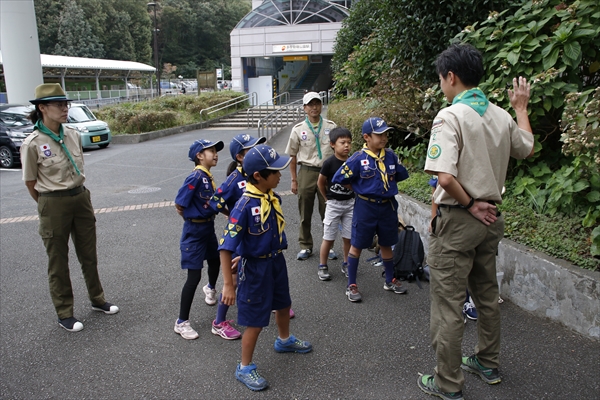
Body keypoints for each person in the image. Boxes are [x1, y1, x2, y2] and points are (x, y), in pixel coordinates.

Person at [418, 43, 534, 400]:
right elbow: (526, 147)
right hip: (491, 219)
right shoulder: (501, 115)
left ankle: (447, 383)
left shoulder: (450, 116)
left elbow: (444, 176)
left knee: (449, 303)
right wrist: (521, 108)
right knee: (486, 294)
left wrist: (469, 205)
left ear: (450, 77)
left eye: (441, 79)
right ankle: (487, 361)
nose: (441, 85)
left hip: (459, 218)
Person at [20, 83, 119, 332]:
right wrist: (48, 204)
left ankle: (98, 299)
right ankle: (64, 312)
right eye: (59, 105)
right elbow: (31, 182)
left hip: (80, 197)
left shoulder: (72, 134)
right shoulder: (32, 143)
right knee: (58, 260)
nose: (65, 109)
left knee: (88, 253)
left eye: (66, 104)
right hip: (53, 202)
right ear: (42, 108)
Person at [219, 145, 312, 391]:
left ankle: (284, 340)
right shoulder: (244, 205)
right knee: (256, 320)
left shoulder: (272, 197)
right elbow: (226, 245)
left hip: (275, 261)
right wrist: (228, 283)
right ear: (258, 175)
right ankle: (244, 366)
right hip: (256, 269)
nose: (280, 174)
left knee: (283, 304)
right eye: (275, 171)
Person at [331, 117, 409, 302]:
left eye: (385, 134)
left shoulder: (390, 156)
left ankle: (389, 279)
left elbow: (399, 175)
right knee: (357, 244)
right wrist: (358, 189)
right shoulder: (358, 158)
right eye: (379, 134)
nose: (383, 138)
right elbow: (340, 177)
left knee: (387, 243)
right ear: (366, 137)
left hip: (387, 206)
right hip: (365, 207)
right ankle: (352, 284)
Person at [207, 133, 266, 340]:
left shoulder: (259, 174)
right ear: (240, 156)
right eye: (253, 149)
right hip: (241, 236)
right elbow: (215, 201)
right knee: (234, 275)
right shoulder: (234, 179)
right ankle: (219, 321)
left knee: (265, 266)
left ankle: (275, 304)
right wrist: (231, 215)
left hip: (259, 232)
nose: (258, 151)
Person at [173, 139, 224, 340]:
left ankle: (210, 288)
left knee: (215, 260)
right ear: (199, 156)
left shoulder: (207, 177)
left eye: (215, 151)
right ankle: (181, 322)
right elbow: (180, 202)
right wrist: (190, 217)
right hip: (194, 232)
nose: (215, 154)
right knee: (193, 276)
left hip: (207, 228)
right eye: (211, 151)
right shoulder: (195, 176)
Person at [285, 91, 338, 261]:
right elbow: (292, 156)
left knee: (328, 211)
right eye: (310, 104)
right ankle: (305, 245)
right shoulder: (298, 130)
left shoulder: (331, 127)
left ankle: (328, 246)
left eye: (317, 103)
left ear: (321, 106)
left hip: (328, 173)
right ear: (304, 108)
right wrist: (294, 180)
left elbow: (338, 152)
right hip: (307, 172)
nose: (314, 107)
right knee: (304, 211)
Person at [428, 175, 478, 322]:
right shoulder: (448, 154)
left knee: (472, 262)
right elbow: (436, 186)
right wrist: (433, 218)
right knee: (451, 265)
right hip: (452, 214)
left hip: (480, 214)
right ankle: (457, 305)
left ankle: (468, 300)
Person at [316, 127, 354, 281]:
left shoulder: (353, 161)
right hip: (333, 204)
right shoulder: (329, 163)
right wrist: (327, 198)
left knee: (349, 237)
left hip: (350, 204)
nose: (346, 146)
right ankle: (322, 265)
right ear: (332, 144)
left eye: (349, 143)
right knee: (329, 237)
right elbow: (321, 182)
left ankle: (347, 263)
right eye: (342, 142)